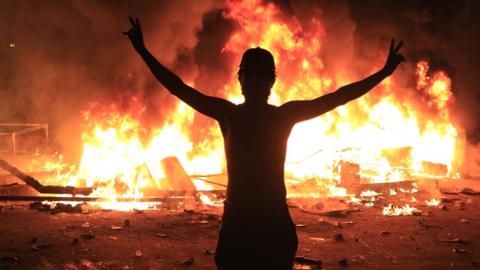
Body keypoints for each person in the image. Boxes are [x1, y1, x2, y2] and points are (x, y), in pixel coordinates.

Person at [124, 17, 405, 269]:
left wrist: (142, 50)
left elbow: (178, 88)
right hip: (272, 226)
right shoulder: (283, 116)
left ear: (240, 80)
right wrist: (383, 72)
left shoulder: (230, 115)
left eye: (253, 76)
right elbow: (339, 96)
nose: (256, 82)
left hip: (240, 227)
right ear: (272, 81)